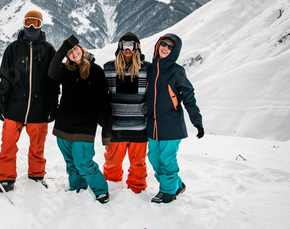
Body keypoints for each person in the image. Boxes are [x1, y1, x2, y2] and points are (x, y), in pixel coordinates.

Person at [0, 10, 59, 192]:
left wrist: (53, 104)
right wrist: (2, 100)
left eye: (36, 23)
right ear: (23, 24)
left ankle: (36, 175)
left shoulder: (48, 50)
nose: (32, 27)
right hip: (15, 104)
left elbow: (53, 81)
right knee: (8, 143)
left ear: (41, 26)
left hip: (39, 106)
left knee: (37, 144)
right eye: (29, 22)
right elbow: (5, 77)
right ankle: (7, 177)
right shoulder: (13, 48)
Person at [48, 35, 112, 204]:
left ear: (82, 50)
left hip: (85, 126)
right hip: (63, 124)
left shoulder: (96, 70)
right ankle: (78, 188)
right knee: (71, 163)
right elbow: (51, 70)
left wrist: (106, 125)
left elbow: (104, 99)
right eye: (69, 51)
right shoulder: (64, 70)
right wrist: (63, 47)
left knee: (83, 162)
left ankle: (101, 190)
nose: (73, 53)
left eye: (75, 49)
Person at [146, 33, 204, 203]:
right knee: (154, 160)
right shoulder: (150, 68)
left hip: (171, 125)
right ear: (158, 45)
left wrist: (197, 121)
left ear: (175, 50)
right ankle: (177, 184)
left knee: (167, 160)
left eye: (170, 47)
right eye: (163, 44)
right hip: (152, 125)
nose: (166, 48)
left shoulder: (177, 71)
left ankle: (168, 192)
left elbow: (189, 97)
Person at [103, 32, 150, 194]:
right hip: (116, 126)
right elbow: (101, 94)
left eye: (131, 45)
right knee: (112, 163)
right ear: (119, 48)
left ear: (137, 48)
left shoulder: (147, 69)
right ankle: (112, 188)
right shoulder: (109, 68)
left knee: (138, 164)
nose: (127, 49)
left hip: (139, 126)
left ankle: (137, 191)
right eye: (124, 46)